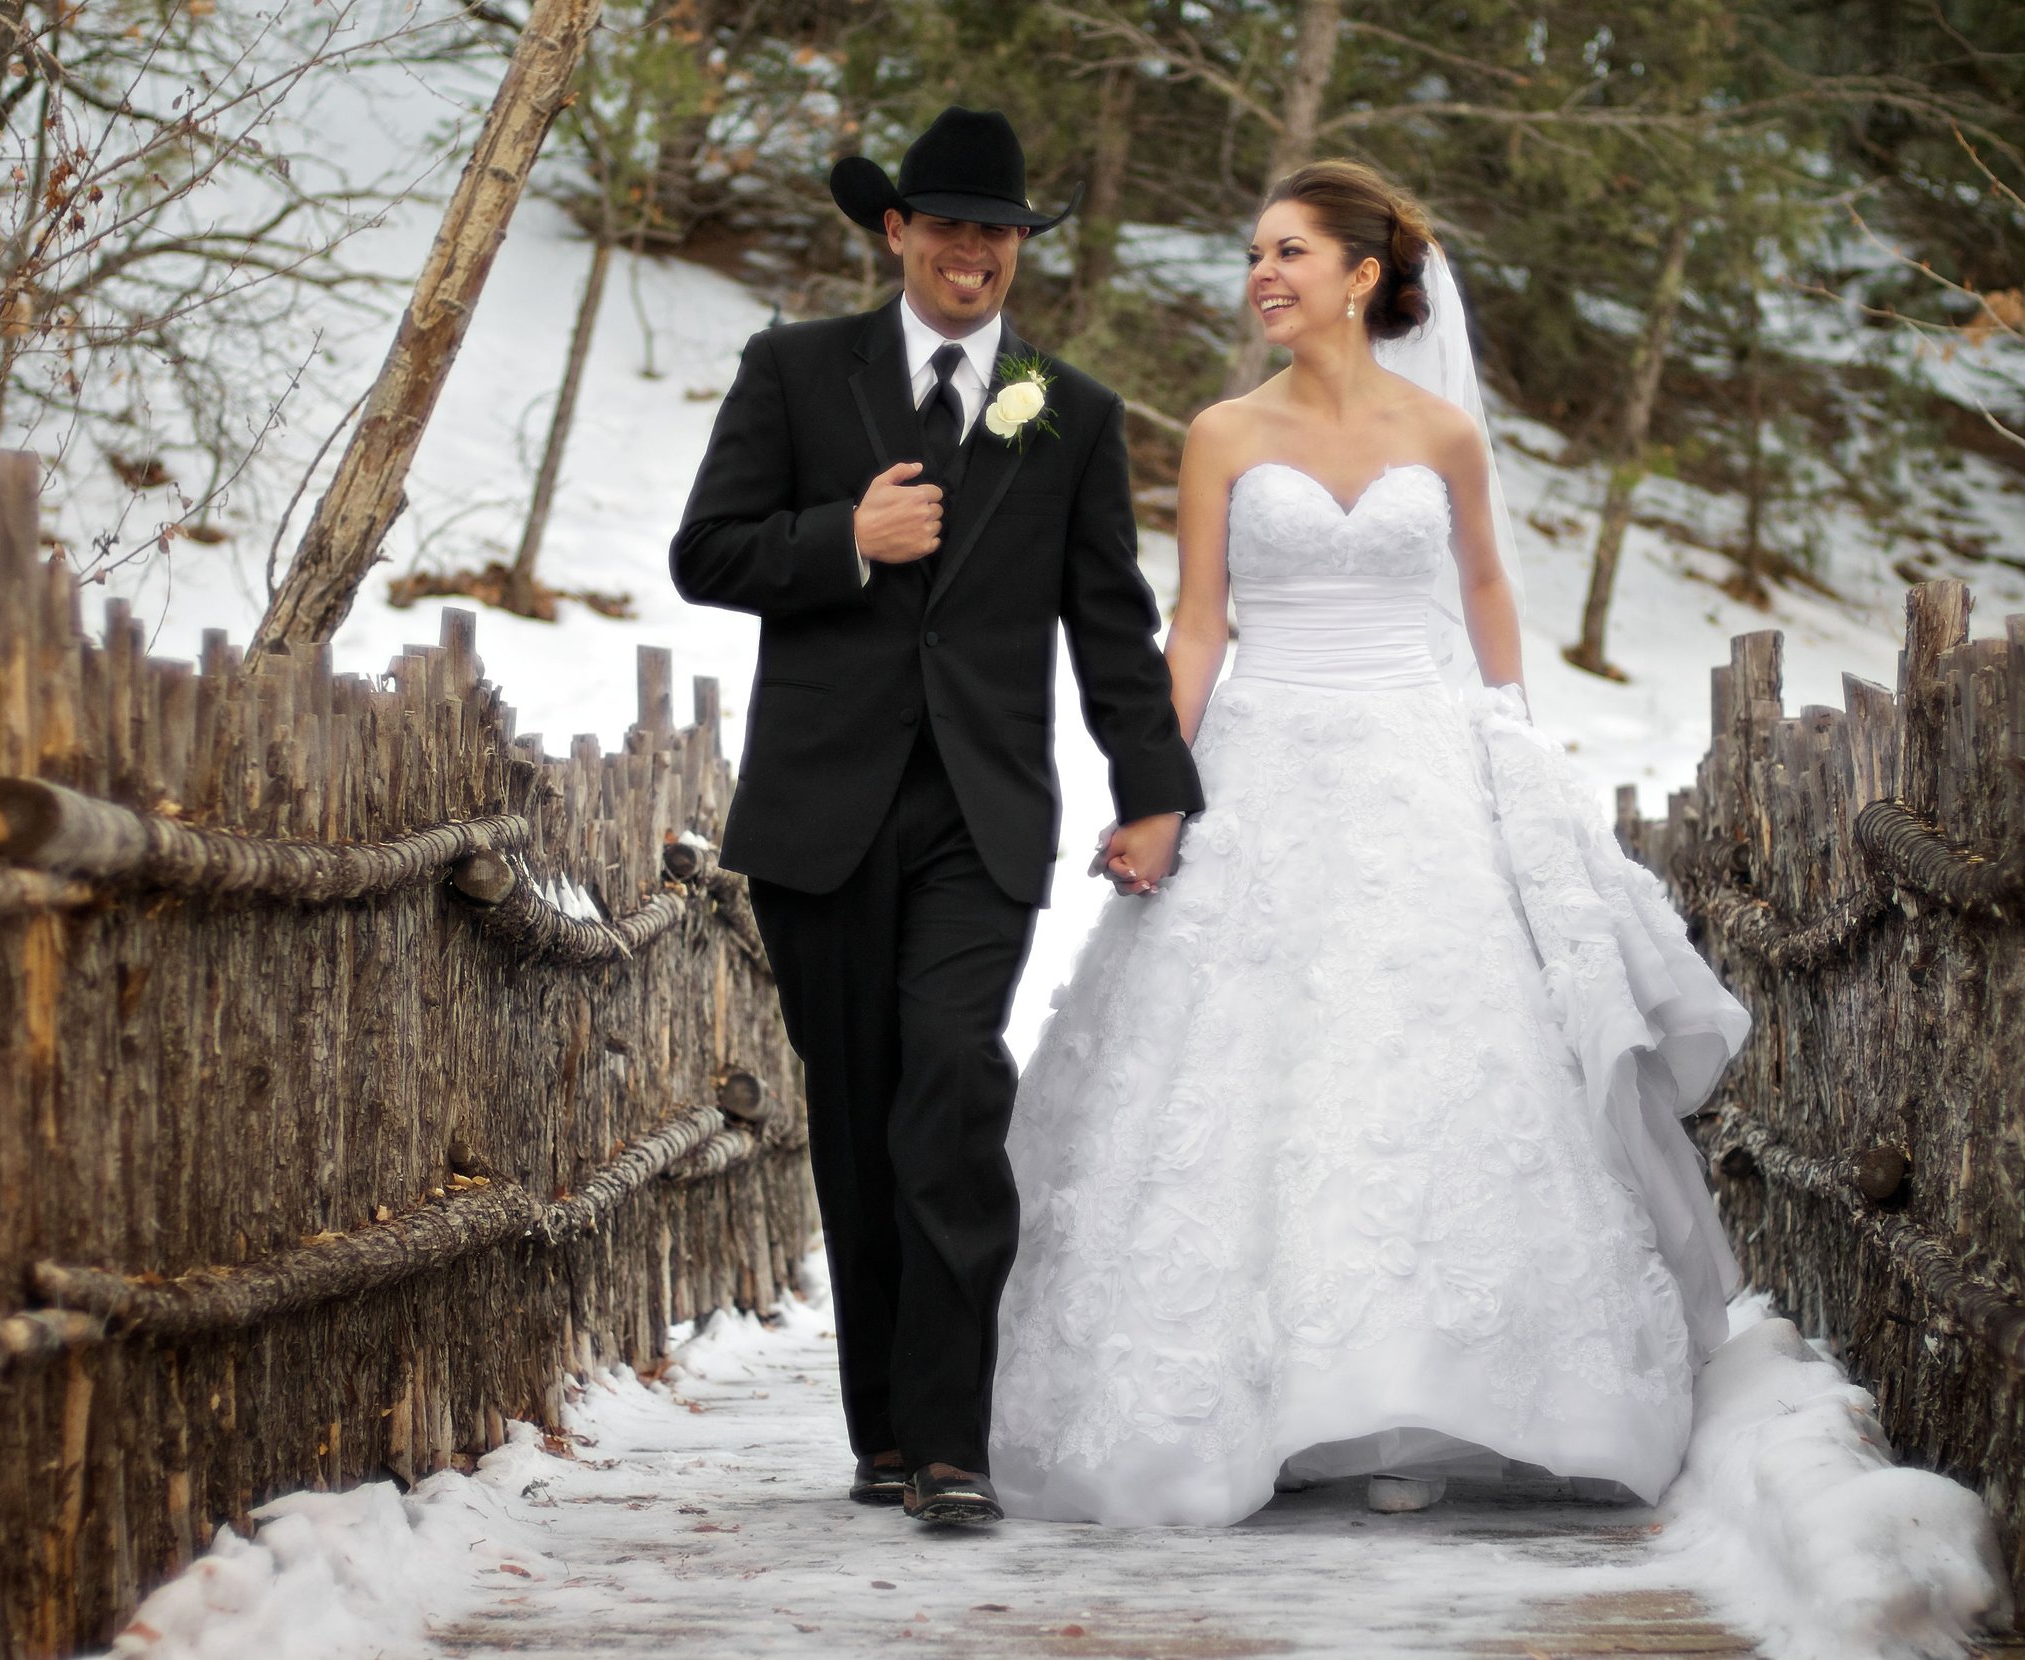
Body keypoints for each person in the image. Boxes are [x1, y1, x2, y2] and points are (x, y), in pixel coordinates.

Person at [989, 159, 1752, 1527]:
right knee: (1240, 1075)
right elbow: (1203, 623)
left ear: (1363, 275)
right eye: (1252, 256)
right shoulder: (1224, 431)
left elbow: (1481, 593)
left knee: (1427, 1065)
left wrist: (1508, 749)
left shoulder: (1444, 437)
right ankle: (1258, 1406)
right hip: (1262, 762)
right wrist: (1156, 789)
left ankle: (1425, 1399)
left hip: (1418, 759)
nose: (1263, 276)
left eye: (1290, 252)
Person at [670, 107, 1202, 1527]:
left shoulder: (1072, 414)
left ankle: (955, 1443)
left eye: (1000, 232)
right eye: (950, 225)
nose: (976, 252)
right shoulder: (793, 373)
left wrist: (1152, 791)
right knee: (854, 1124)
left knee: (955, 1085)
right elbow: (703, 553)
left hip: (985, 812)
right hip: (819, 818)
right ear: (897, 232)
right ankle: (886, 1434)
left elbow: (1111, 622)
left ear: (1020, 249)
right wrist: (843, 536)